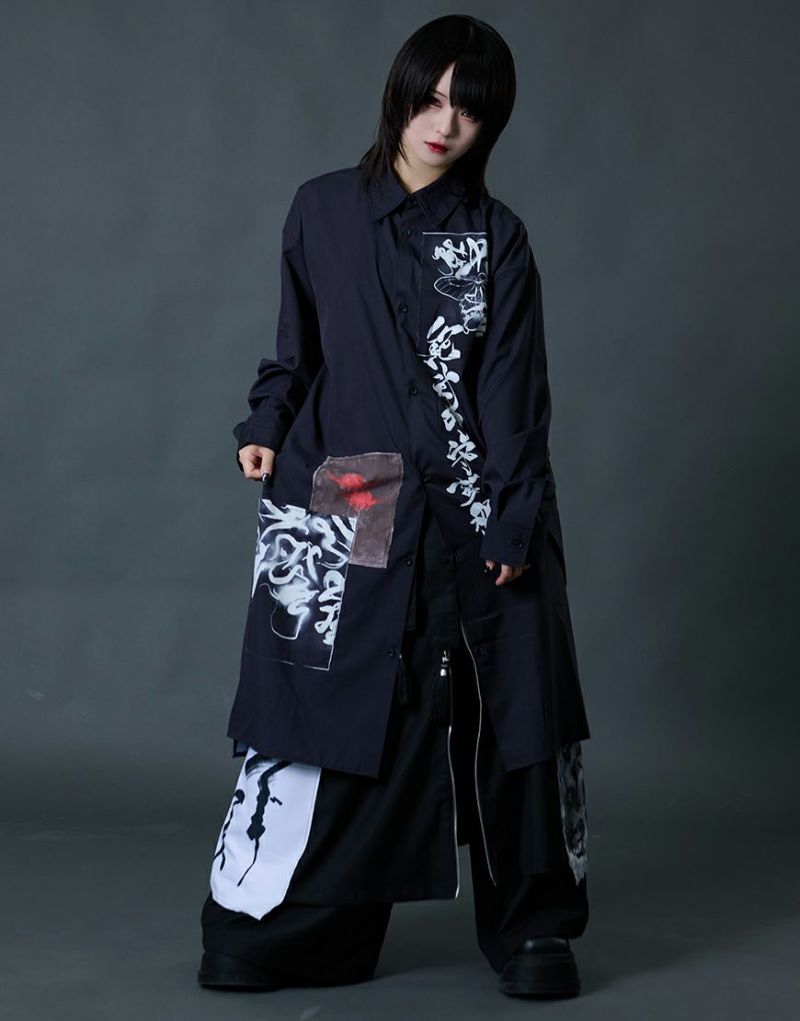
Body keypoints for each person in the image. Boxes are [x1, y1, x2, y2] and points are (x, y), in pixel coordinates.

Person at [198, 13, 591, 999]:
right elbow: (296, 349)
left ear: (491, 123)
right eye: (430, 98)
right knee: (334, 695)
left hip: (480, 496)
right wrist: (265, 421)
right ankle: (293, 924)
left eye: (468, 109)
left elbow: (516, 393)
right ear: (399, 94)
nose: (443, 124)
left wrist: (513, 513)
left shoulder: (495, 237)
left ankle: (533, 924)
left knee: (513, 702)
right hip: (354, 484)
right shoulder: (323, 208)